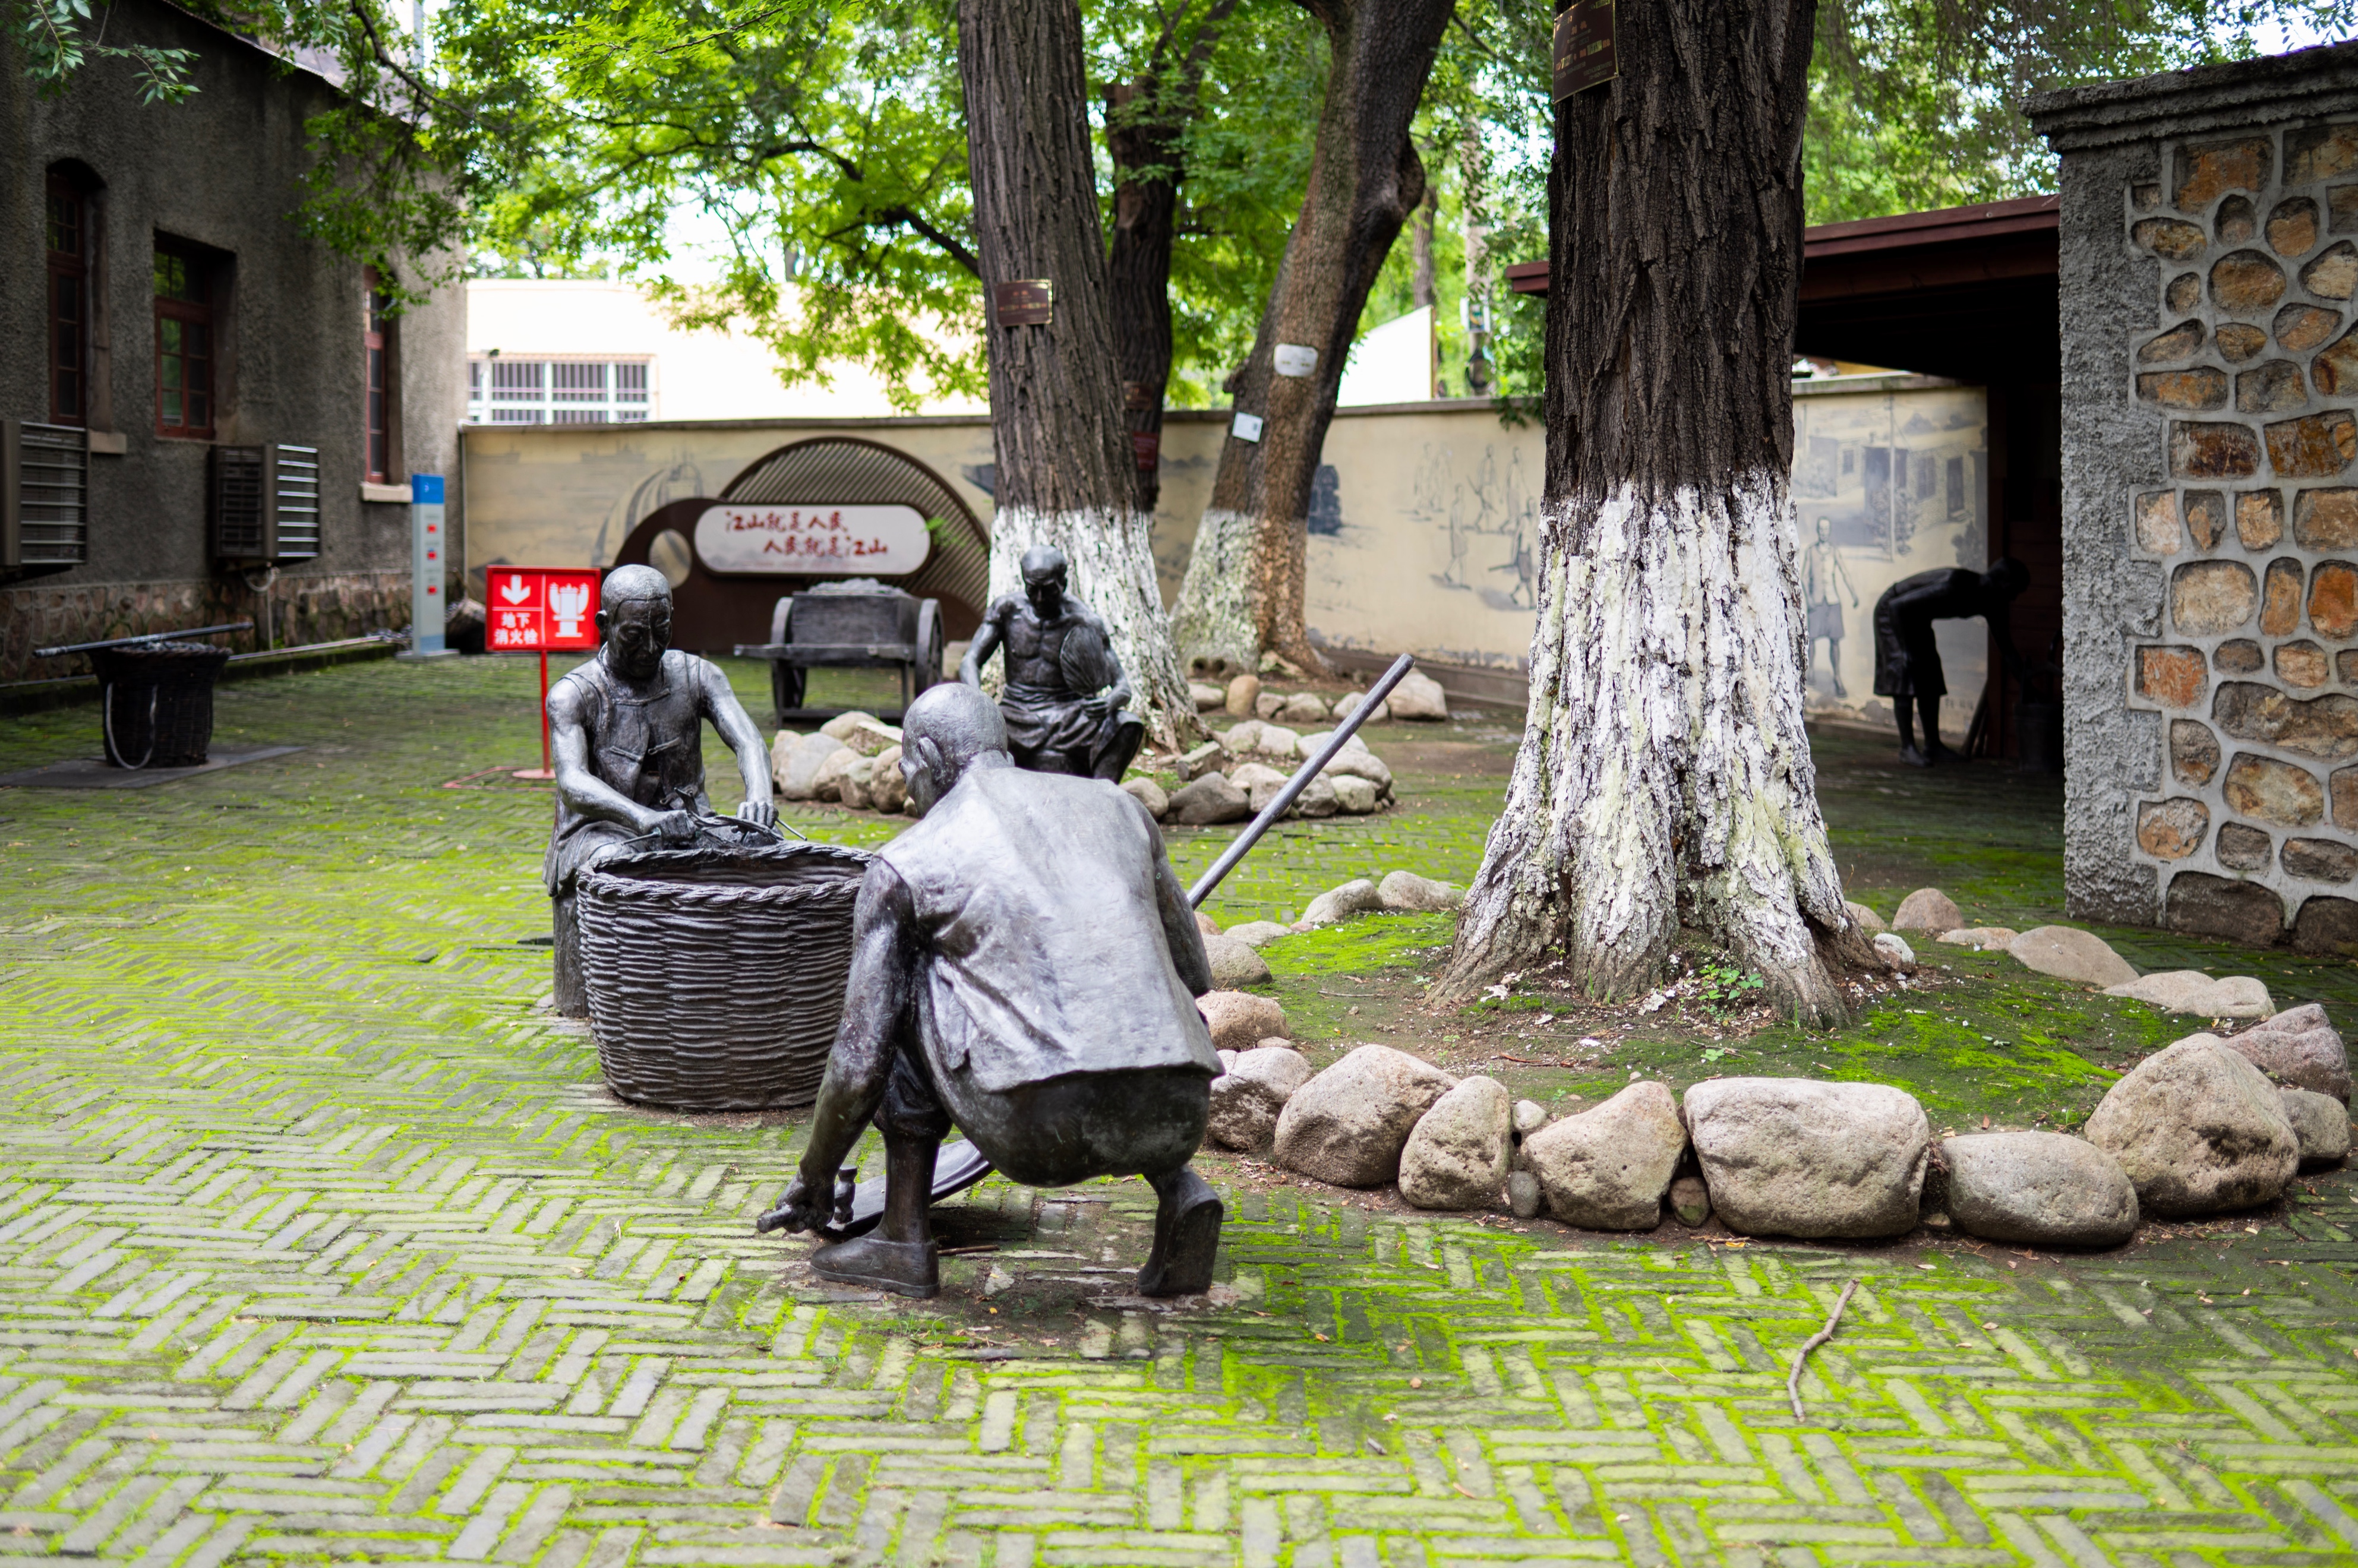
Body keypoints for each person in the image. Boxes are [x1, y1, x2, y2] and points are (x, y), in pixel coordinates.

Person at [760, 682, 1224, 1300]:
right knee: (1122, 973)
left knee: (898, 984)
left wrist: (814, 1176)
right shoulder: (1117, 807)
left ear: (928, 757)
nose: (907, 784)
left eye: (907, 767)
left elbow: (857, 1061)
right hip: (1179, 1106)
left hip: (1037, 1126)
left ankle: (902, 1239)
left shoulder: (907, 861)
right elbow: (1195, 973)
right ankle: (1182, 1187)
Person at [543, 565, 776, 1013]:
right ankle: (621, 1001)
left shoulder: (697, 675)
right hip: (601, 831)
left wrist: (760, 794)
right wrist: (641, 818)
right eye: (634, 636)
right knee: (618, 867)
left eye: (662, 631)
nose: (650, 648)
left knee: (764, 852)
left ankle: (724, 991)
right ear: (603, 625)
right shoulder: (574, 695)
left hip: (690, 823)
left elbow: (747, 739)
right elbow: (573, 782)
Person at [958, 546, 1144, 779]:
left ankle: (1101, 796)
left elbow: (1123, 687)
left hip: (1069, 716)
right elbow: (970, 661)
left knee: (1127, 724)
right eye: (1032, 589)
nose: (1039, 599)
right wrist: (982, 704)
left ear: (1063, 584)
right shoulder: (1007, 610)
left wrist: (1107, 704)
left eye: (1048, 591)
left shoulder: (1084, 620)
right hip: (1016, 714)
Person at [1871, 558, 2031, 767]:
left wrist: (2029, 687)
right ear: (2001, 582)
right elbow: (1897, 607)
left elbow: (2008, 650)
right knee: (1905, 673)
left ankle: (1933, 746)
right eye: (2014, 590)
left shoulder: (1993, 602)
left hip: (1917, 618)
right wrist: (1904, 649)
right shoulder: (1956, 584)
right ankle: (1907, 749)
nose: (2014, 598)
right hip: (1892, 614)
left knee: (1930, 674)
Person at [1802, 516, 1859, 697]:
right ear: (1818, 531)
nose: (1824, 533)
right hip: (1817, 602)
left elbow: (1844, 573)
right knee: (1812, 639)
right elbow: (1804, 577)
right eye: (1821, 530)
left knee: (1835, 641)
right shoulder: (1811, 552)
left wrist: (1853, 594)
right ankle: (1810, 672)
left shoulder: (1834, 552)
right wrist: (1809, 599)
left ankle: (1837, 677)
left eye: (1827, 530)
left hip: (1833, 601)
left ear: (1830, 531)